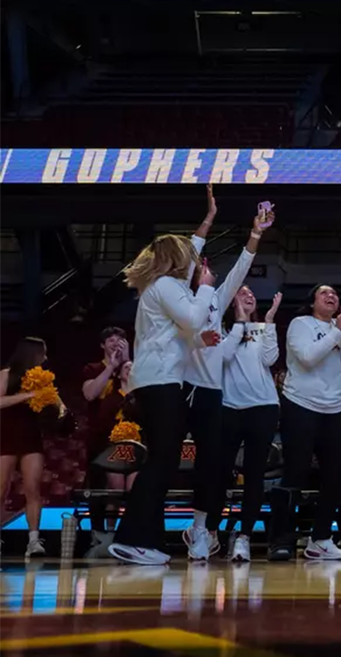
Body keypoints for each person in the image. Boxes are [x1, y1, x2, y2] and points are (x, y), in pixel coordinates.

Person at [110, 233, 217, 565]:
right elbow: (194, 317)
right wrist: (208, 286)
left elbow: (174, 336)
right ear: (175, 258)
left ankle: (148, 539)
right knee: (163, 461)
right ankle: (133, 537)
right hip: (160, 381)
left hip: (154, 379)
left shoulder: (157, 288)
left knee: (162, 459)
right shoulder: (167, 286)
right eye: (187, 253)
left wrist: (199, 342)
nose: (192, 260)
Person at [182, 199, 271, 561]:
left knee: (212, 465)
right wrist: (207, 219)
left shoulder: (217, 299)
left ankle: (200, 528)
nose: (206, 266)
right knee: (163, 460)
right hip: (180, 385)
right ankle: (148, 531)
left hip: (210, 391)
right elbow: (190, 255)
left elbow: (241, 266)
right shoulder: (179, 294)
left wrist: (254, 234)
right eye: (199, 264)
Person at [270, 285, 341, 562]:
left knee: (336, 476)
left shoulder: (339, 328)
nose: (332, 297)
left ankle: (320, 539)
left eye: (335, 294)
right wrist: (336, 332)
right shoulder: (300, 324)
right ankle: (280, 539)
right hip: (300, 405)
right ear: (312, 302)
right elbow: (307, 358)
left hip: (334, 409)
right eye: (324, 294)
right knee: (295, 471)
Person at [214, 287, 283, 563]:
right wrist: (240, 323)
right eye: (242, 293)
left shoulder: (263, 327)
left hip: (264, 407)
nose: (249, 295)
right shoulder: (222, 328)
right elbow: (225, 356)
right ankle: (210, 533)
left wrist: (270, 321)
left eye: (252, 292)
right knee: (221, 474)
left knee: (255, 475)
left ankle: (244, 537)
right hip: (230, 408)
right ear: (232, 301)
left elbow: (270, 359)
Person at [0, 338, 56, 558]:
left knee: (33, 488)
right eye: (43, 354)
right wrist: (27, 396)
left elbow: (52, 404)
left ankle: (33, 540)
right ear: (32, 354)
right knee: (1, 489)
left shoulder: (43, 379)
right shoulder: (6, 373)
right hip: (6, 436)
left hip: (31, 437)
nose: (45, 358)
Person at [80, 327, 132, 551]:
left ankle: (123, 533)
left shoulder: (132, 369)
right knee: (99, 486)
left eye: (120, 340)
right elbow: (90, 394)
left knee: (124, 487)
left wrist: (127, 361)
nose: (115, 343)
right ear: (102, 345)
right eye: (110, 340)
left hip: (131, 439)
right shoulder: (92, 368)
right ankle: (98, 533)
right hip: (100, 438)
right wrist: (110, 366)